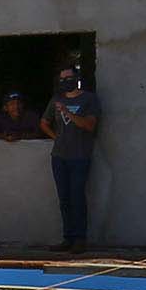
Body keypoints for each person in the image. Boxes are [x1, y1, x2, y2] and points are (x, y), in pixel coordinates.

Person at [41, 62, 101, 251]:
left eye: (69, 78)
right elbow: (44, 122)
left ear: (76, 79)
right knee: (64, 198)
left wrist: (67, 112)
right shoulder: (56, 100)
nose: (66, 81)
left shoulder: (89, 99)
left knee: (77, 196)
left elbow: (89, 125)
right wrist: (56, 137)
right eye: (62, 79)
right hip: (59, 156)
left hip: (80, 156)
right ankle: (67, 238)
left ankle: (80, 239)